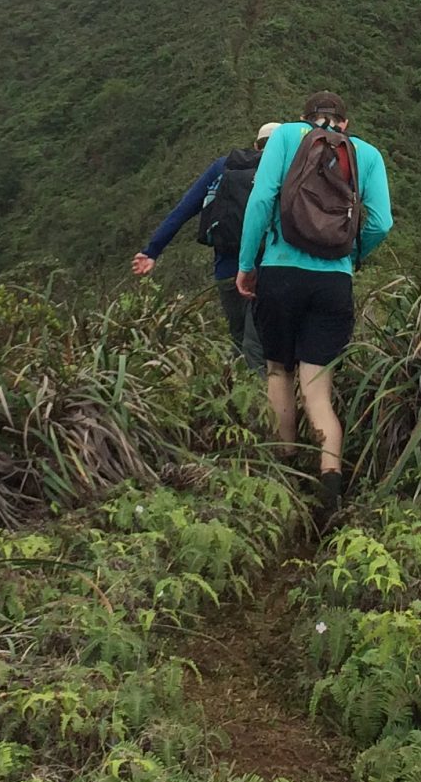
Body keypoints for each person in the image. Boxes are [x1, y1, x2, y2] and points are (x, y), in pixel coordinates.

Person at [234, 91, 392, 513]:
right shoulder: (366, 154)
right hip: (333, 282)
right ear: (345, 121)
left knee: (277, 373)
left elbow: (262, 200)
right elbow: (381, 221)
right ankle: (329, 495)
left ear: (305, 117)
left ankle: (285, 479)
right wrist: (351, 256)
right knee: (317, 391)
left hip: (279, 273)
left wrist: (248, 263)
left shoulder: (286, 137)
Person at [131, 123, 279, 362]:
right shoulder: (286, 169)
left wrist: (152, 250)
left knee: (240, 341)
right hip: (268, 269)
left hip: (227, 271)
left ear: (255, 145)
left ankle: (235, 392)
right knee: (260, 347)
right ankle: (259, 396)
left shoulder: (224, 166)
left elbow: (183, 209)